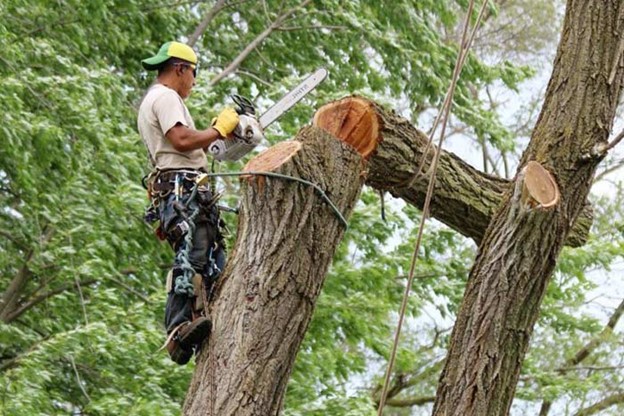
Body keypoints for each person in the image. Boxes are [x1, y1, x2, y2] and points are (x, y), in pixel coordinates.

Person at [137, 41, 239, 365]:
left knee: (211, 258)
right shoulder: (166, 97)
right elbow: (180, 139)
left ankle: (203, 314)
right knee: (193, 254)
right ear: (180, 68)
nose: (193, 82)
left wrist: (214, 137)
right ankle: (178, 330)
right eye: (193, 75)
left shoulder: (156, 99)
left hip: (186, 188)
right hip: (182, 189)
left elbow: (185, 144)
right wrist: (216, 130)